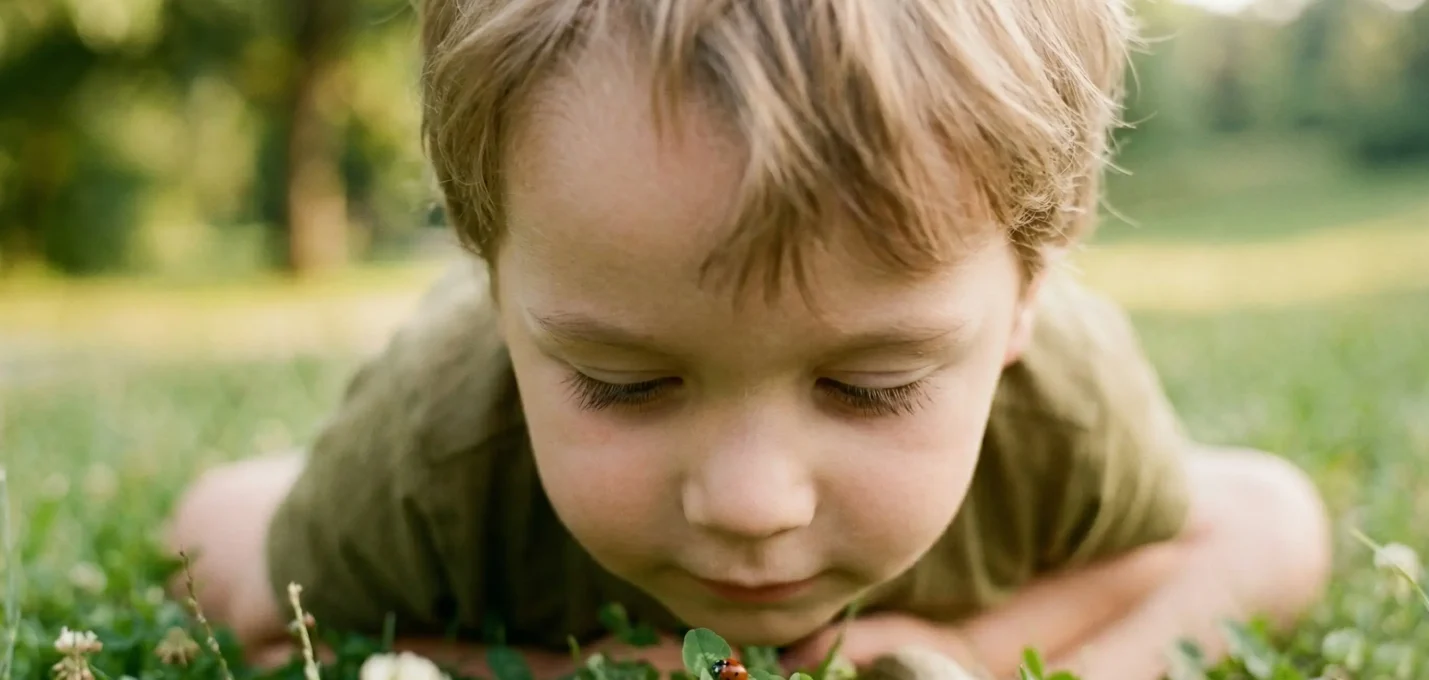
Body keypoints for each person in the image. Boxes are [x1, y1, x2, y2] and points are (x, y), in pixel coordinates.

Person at [165, 1, 1333, 678]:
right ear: (492, 271)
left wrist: (979, 652)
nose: (752, 500)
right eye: (624, 384)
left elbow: (1267, 525)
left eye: (870, 386)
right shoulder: (438, 451)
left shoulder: (1064, 406)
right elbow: (218, 564)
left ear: (1028, 290)